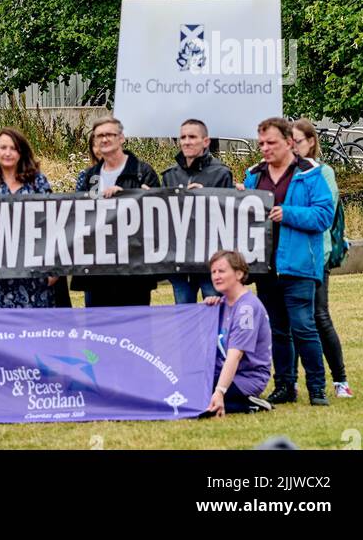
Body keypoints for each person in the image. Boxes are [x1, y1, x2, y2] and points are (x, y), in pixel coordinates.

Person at [244, 117, 335, 407]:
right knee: (278, 330)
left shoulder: (310, 173)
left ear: (289, 142)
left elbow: (324, 216)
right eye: (261, 143)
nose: (265, 148)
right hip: (265, 266)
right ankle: (285, 385)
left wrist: (288, 213)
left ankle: (317, 387)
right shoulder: (254, 175)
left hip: (298, 265)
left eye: (271, 142)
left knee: (303, 327)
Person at [291, 119, 353, 398]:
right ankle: (288, 381)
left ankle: (340, 380)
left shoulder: (322, 173)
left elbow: (323, 215)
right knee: (289, 321)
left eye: (298, 142)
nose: (293, 147)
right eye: (289, 143)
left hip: (318, 255)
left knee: (318, 316)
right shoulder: (287, 172)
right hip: (290, 256)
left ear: (311, 142)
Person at [72, 115, 161, 307]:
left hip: (133, 269)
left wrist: (130, 196)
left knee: (135, 330)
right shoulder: (90, 177)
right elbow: (78, 215)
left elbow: (159, 216)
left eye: (109, 134)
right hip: (98, 270)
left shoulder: (142, 172)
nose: (104, 139)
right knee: (99, 333)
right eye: (99, 136)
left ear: (121, 138)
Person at [0, 128, 58, 308]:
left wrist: (54, 268)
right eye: (3, 147)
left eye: (13, 148)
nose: (8, 152)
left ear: (22, 152)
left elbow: (53, 224)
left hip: (33, 275)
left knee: (34, 332)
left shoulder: (38, 182)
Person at [162, 118, 234, 304]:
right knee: (184, 318)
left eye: (192, 137)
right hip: (180, 261)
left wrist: (205, 197)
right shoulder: (170, 174)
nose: (187, 141)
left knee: (214, 315)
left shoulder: (221, 173)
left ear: (206, 141)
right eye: (183, 137)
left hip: (211, 261)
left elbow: (231, 215)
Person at [203, 250, 273, 415]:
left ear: (239, 274)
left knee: (200, 399)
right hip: (223, 372)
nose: (216, 276)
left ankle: (249, 404)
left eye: (222, 271)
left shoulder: (246, 308)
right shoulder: (222, 303)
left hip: (248, 377)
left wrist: (220, 391)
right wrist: (206, 309)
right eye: (213, 272)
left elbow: (235, 355)